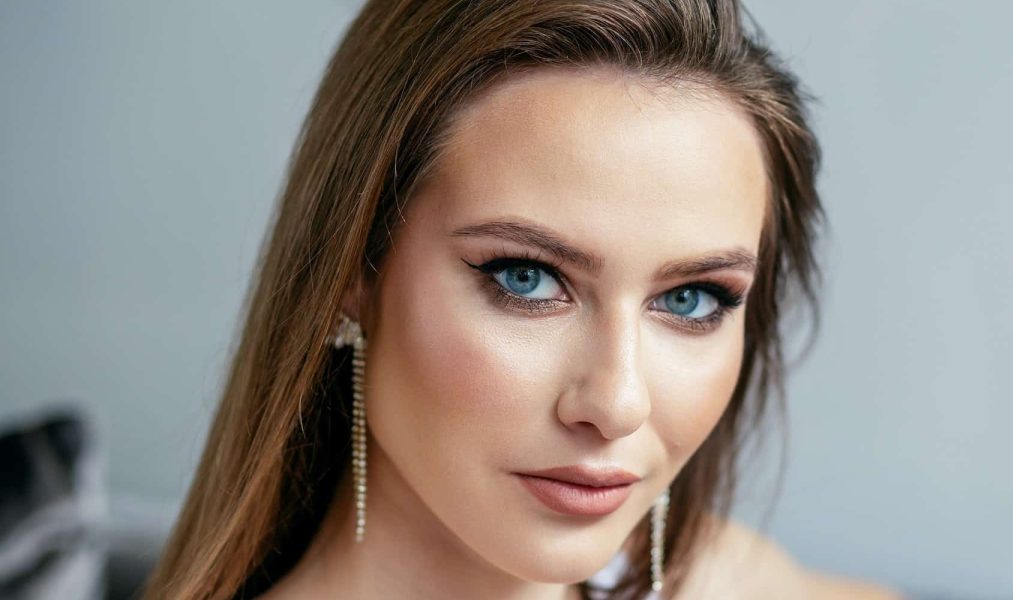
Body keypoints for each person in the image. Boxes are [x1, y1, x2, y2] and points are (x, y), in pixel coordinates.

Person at [145, 1, 901, 598]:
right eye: (526, 278)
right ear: (354, 270)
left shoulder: (719, 583)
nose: (618, 402)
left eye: (694, 298)